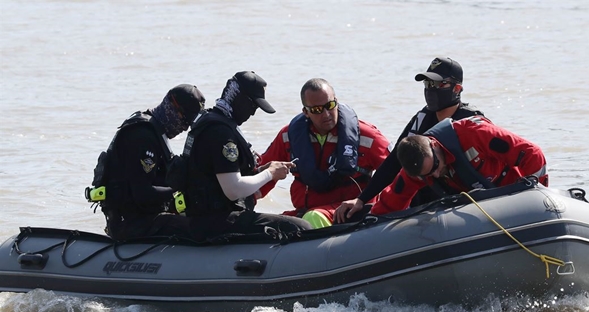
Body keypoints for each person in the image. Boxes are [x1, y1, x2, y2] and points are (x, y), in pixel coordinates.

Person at [335, 56, 485, 223]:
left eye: (437, 84)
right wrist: (362, 199)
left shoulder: (472, 121)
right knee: (357, 216)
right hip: (424, 203)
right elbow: (395, 161)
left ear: (457, 88)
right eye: (427, 84)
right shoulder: (423, 118)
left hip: (464, 203)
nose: (431, 89)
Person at [178, 71, 312, 240]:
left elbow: (220, 177)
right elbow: (233, 190)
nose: (253, 113)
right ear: (240, 99)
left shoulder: (211, 121)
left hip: (206, 217)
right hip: (217, 223)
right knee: (300, 227)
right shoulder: (221, 133)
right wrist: (270, 173)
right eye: (253, 106)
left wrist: (263, 170)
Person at [257, 78, 392, 228]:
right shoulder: (288, 136)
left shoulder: (367, 136)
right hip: (305, 211)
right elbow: (262, 175)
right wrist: (246, 201)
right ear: (306, 112)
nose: (326, 114)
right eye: (317, 110)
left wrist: (363, 201)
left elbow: (395, 173)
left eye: (330, 105)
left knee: (313, 218)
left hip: (350, 212)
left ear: (336, 101)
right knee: (268, 226)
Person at [87, 84, 206, 240]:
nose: (184, 128)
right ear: (172, 108)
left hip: (140, 219)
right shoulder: (143, 136)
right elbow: (143, 193)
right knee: (198, 228)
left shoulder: (154, 130)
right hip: (131, 224)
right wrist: (179, 189)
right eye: (184, 121)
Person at [370, 116, 549, 215]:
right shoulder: (420, 168)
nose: (437, 174)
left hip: (514, 196)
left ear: (434, 145)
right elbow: (392, 200)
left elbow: (532, 154)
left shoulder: (474, 134)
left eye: (436, 167)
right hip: (481, 211)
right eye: (428, 175)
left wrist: (537, 198)